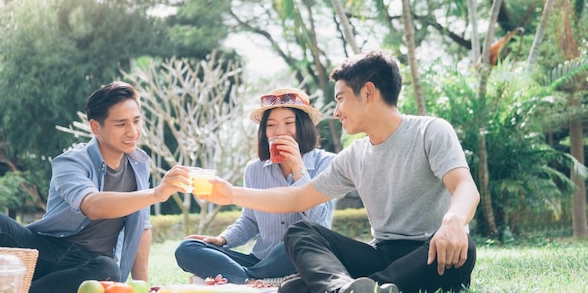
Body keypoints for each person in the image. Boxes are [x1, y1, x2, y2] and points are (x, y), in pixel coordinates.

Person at [199, 50, 481, 293]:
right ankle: (342, 288)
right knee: (301, 232)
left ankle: (350, 288)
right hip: (381, 254)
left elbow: (464, 186)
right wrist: (232, 193)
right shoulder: (354, 155)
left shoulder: (430, 131)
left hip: (434, 251)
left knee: (463, 248)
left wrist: (454, 220)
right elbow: (298, 199)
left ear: (368, 92)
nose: (336, 111)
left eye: (341, 99)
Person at [0, 81, 192, 293]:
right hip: (46, 250)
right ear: (95, 127)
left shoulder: (139, 164)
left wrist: (143, 286)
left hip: (88, 266)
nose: (133, 131)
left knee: (107, 268)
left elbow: (141, 226)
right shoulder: (70, 162)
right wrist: (156, 194)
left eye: (136, 121)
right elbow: (92, 205)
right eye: (121, 124)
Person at [174, 87, 336, 286]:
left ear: (304, 126)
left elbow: (320, 222)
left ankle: (239, 279)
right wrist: (222, 240)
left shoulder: (327, 163)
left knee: (294, 241)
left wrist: (299, 169)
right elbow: (250, 221)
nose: (279, 131)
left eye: (288, 123)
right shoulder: (255, 169)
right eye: (271, 125)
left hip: (297, 257)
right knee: (187, 248)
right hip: (260, 261)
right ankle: (252, 281)